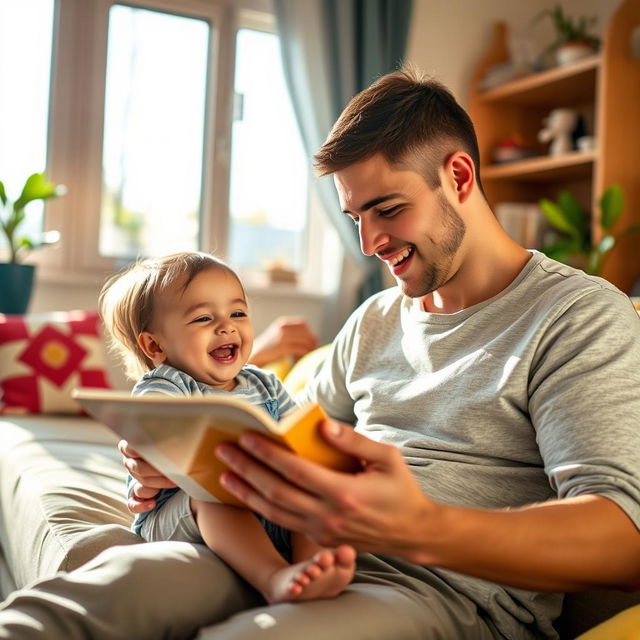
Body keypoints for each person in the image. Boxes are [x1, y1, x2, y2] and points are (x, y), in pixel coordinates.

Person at [0, 68, 638, 640]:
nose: (369, 242)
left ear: (459, 176)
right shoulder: (376, 320)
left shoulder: (575, 316)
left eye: (387, 209)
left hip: (437, 592)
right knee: (92, 600)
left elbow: (623, 538)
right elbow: (282, 432)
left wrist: (418, 525)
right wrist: (182, 457)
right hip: (296, 557)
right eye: (355, 217)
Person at [99, 251, 357, 604]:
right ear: (155, 345)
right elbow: (156, 434)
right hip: (183, 518)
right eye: (204, 318)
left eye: (238, 313)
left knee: (311, 489)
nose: (227, 326)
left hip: (268, 510)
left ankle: (313, 567)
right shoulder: (166, 385)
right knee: (215, 492)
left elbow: (297, 439)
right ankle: (273, 578)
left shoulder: (264, 384)